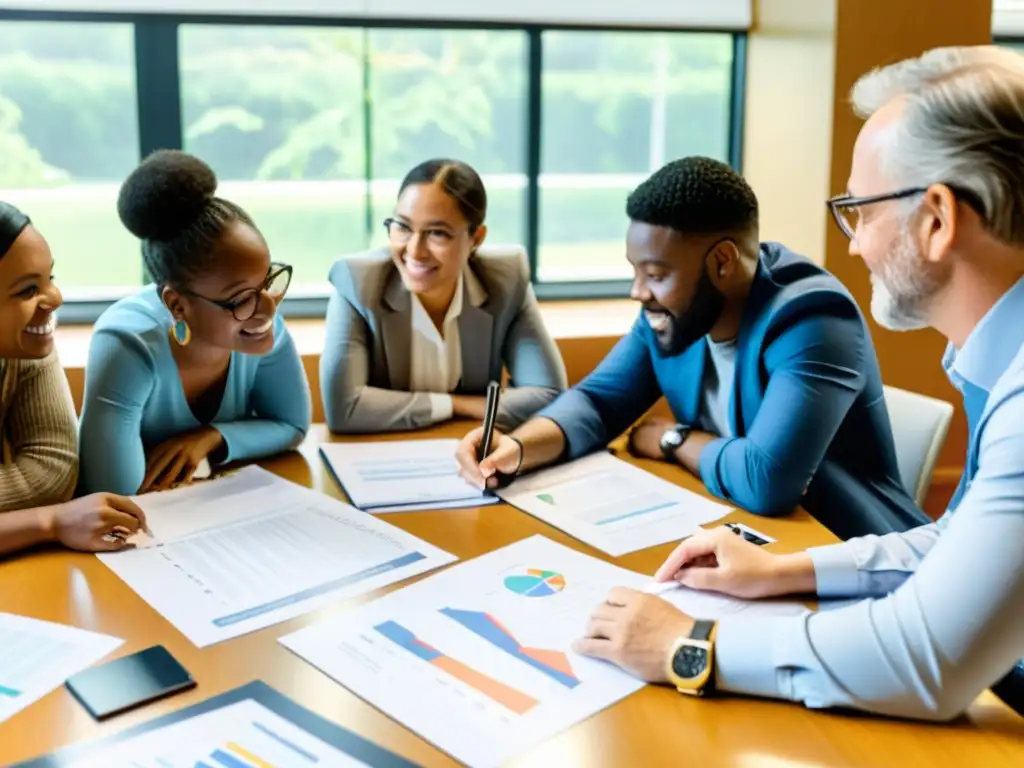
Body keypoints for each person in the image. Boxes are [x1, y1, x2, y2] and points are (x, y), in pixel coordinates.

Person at [573, 45, 1024, 720]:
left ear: (936, 219)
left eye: (861, 210)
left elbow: (927, 661)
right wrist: (784, 571)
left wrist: (692, 642)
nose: (854, 244)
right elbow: (959, 538)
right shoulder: (997, 359)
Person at [457, 156, 927, 540]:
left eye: (656, 274)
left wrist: (672, 439)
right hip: (745, 537)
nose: (638, 292)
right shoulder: (673, 315)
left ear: (722, 261)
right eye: (636, 271)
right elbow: (599, 401)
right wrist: (517, 448)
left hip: (850, 553)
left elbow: (766, 481)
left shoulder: (814, 317)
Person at [78, 151, 311, 496]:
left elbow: (292, 426)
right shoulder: (128, 343)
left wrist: (211, 437)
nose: (267, 308)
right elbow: (112, 487)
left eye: (268, 281)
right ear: (177, 305)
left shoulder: (259, 325)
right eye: (242, 298)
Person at [320, 158, 567, 434]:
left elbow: (549, 394)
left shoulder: (506, 281)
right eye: (402, 227)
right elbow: (344, 409)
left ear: (476, 238)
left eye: (437, 233)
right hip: (379, 455)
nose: (414, 251)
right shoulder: (357, 282)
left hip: (471, 452)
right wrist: (454, 405)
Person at [0, 202, 147, 555]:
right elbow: (46, 492)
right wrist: (49, 522)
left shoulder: (25, 346)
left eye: (49, 278)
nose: (55, 298)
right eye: (27, 290)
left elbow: (51, 473)